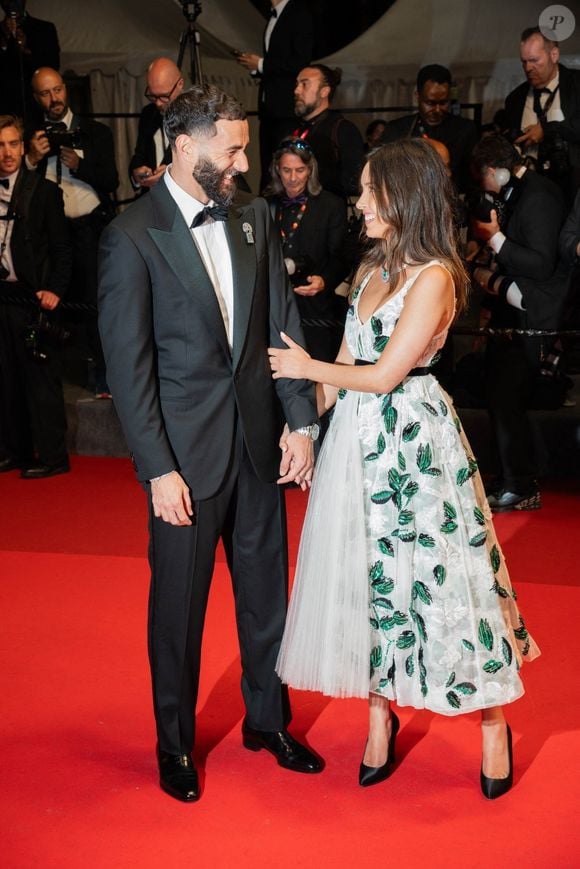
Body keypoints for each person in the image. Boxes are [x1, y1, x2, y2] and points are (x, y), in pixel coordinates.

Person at [268, 139, 539, 799]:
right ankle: (379, 718)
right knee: (372, 582)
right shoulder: (368, 268)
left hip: (415, 445)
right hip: (356, 447)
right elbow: (345, 360)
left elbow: (387, 373)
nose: (358, 203)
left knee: (447, 587)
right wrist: (302, 426)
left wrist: (306, 369)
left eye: (367, 191)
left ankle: (492, 721)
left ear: (400, 196)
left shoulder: (438, 276)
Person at [98, 83, 323, 804]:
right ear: (186, 147)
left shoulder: (254, 215)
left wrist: (301, 421)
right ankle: (174, 743)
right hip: (185, 468)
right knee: (178, 612)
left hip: (260, 449)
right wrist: (157, 468)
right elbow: (129, 372)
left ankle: (268, 721)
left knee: (268, 603)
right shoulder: (130, 235)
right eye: (231, 147)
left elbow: (281, 328)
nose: (243, 158)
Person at [470, 134, 569, 511]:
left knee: (508, 396)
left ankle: (521, 483)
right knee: (499, 393)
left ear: (497, 171)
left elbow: (542, 264)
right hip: (514, 309)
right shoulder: (523, 192)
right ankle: (512, 477)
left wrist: (494, 238)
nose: (485, 188)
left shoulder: (539, 196)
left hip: (536, 313)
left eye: (486, 179)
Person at [27, 67, 119, 397]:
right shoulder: (31, 136)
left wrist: (80, 165)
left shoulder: (94, 131)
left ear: (65, 90)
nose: (53, 99)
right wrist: (31, 159)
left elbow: (112, 181)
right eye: (45, 93)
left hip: (89, 229)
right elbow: (22, 187)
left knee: (97, 304)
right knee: (53, 305)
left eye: (57, 91)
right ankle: (55, 378)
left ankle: (104, 377)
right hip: (50, 235)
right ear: (36, 97)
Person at [0, 114, 71, 478]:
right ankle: (16, 450)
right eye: (0, 145)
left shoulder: (42, 192)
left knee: (40, 381)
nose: (7, 152)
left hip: (35, 298)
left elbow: (62, 249)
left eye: (13, 144)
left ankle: (54, 457)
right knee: (6, 378)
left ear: (23, 145)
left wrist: (56, 289)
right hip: (3, 298)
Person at [264, 137, 349, 361]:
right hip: (276, 306)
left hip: (317, 308)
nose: (293, 178)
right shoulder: (265, 204)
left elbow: (341, 255)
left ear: (310, 170)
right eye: (286, 170)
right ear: (276, 170)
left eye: (300, 170)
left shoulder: (331, 205)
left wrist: (324, 280)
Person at [236, 0, 314, 190]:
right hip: (270, 108)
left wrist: (262, 65)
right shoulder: (274, 15)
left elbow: (300, 62)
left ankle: (280, 212)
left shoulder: (299, 14)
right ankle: (266, 211)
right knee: (268, 167)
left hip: (286, 108)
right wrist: (258, 68)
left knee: (283, 166)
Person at [504, 26, 580, 199]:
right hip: (531, 192)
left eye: (534, 60)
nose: (528, 68)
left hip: (572, 189)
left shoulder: (576, 85)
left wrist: (547, 130)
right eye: (524, 62)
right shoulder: (514, 99)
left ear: (554, 55)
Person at [381, 64, 478, 195]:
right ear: (417, 96)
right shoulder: (397, 130)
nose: (437, 110)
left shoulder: (465, 130)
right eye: (430, 103)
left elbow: (473, 179)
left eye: (443, 103)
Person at [292, 64, 365, 199]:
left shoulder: (343, 130)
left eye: (304, 84)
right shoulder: (294, 130)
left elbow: (355, 181)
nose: (296, 90)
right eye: (297, 84)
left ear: (324, 91)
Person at [128, 57, 185, 193]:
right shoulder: (148, 114)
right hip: (152, 200)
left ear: (180, 84)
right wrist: (137, 173)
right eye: (153, 96)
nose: (158, 103)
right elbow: (139, 155)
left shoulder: (198, 117)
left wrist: (172, 173)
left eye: (164, 96)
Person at [0, 0, 59, 122]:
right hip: (3, 111)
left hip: (36, 110)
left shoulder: (44, 30)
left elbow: (53, 67)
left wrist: (25, 51)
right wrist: (5, 45)